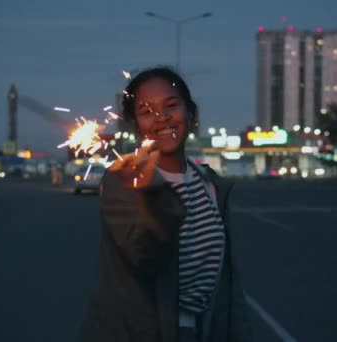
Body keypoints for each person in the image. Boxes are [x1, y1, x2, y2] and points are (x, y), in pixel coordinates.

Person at [79, 67, 252, 342]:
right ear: (136, 125)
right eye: (147, 111)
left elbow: (226, 288)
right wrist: (153, 196)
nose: (162, 118)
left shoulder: (210, 185)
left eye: (171, 105)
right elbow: (144, 256)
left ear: (191, 114)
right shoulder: (123, 181)